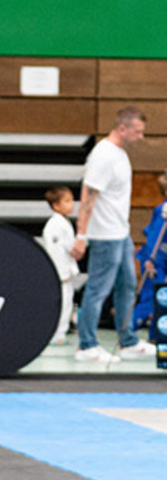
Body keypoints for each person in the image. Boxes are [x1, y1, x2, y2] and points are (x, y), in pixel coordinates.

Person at [70, 106, 156, 363]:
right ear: (122, 128)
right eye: (137, 132)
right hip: (104, 236)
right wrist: (81, 235)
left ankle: (127, 341)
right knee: (98, 290)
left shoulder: (120, 154)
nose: (141, 137)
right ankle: (87, 345)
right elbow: (88, 196)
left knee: (128, 286)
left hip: (121, 233)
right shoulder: (103, 156)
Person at [42, 187, 82, 346]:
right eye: (66, 201)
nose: (71, 204)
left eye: (72, 200)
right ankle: (57, 335)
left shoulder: (62, 223)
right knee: (63, 304)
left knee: (67, 304)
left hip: (64, 273)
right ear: (56, 205)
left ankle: (60, 334)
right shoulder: (56, 225)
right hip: (60, 273)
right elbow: (63, 249)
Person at [132, 187, 167, 333]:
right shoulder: (162, 211)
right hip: (154, 260)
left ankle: (156, 335)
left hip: (163, 258)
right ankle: (128, 332)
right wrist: (150, 260)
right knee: (152, 298)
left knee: (161, 300)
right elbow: (153, 238)